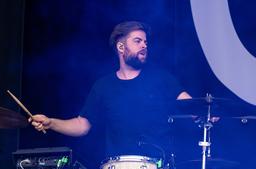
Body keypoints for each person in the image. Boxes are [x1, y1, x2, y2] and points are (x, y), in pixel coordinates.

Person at [30, 21, 191, 158]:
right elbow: (82, 125)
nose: (144, 45)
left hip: (157, 167)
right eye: (137, 41)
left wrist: (207, 109)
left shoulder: (161, 78)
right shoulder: (103, 86)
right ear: (121, 47)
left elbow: (189, 103)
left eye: (145, 42)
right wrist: (51, 123)